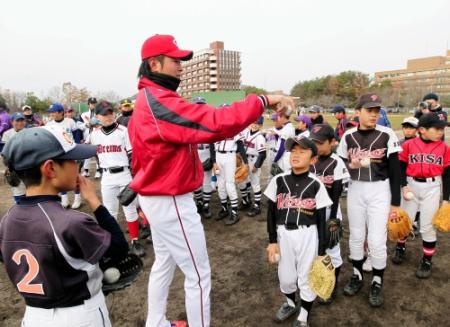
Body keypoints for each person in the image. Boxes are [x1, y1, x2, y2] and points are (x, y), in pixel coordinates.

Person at [127, 34, 294, 327]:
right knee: (199, 275)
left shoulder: (148, 97)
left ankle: (156, 323)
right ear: (154, 63)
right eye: (175, 60)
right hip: (169, 199)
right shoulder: (156, 100)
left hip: (158, 196)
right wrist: (263, 100)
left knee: (165, 263)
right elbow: (215, 123)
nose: (181, 66)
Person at [0, 124, 129, 327]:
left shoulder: (6, 221)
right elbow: (119, 249)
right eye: (72, 160)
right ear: (50, 168)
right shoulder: (72, 222)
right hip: (80, 316)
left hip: (33, 317)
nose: (77, 165)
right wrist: (95, 202)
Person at [336, 93, 401, 307]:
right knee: (355, 236)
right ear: (358, 112)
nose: (374, 114)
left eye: (376, 110)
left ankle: (377, 281)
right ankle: (356, 275)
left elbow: (395, 169)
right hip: (355, 189)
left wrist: (396, 203)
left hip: (380, 191)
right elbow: (342, 165)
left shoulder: (387, 133)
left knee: (376, 240)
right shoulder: (348, 136)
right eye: (369, 110)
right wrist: (351, 166)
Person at [265, 136, 332, 327]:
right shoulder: (278, 180)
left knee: (306, 276)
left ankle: (304, 315)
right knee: (285, 277)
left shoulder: (316, 184)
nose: (296, 155)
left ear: (313, 160)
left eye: (302, 152)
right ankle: (291, 302)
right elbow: (271, 213)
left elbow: (321, 220)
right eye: (293, 151)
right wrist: (272, 240)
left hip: (308, 234)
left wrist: (322, 251)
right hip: (282, 234)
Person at [394, 113, 450, 278]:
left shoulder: (445, 148)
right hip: (411, 185)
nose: (441, 131)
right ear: (423, 130)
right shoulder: (409, 145)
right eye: (437, 128)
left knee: (427, 226)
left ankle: (427, 260)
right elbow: (401, 167)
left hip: (432, 187)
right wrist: (403, 186)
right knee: (406, 220)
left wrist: (446, 199)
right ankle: (400, 247)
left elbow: (447, 174)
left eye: (442, 128)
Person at [89, 100, 145, 257]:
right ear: (97, 116)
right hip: (106, 176)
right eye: (105, 114)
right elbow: (94, 155)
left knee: (130, 209)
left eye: (110, 112)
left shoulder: (123, 130)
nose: (109, 116)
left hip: (124, 174)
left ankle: (135, 241)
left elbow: (131, 154)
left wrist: (134, 176)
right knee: (110, 212)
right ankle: (114, 242)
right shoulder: (94, 135)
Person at [309, 124, 350, 304]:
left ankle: (331, 285)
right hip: (309, 212)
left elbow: (336, 194)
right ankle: (318, 279)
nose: (316, 145)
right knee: (313, 249)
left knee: (331, 250)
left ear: (332, 142)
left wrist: (332, 220)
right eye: (313, 141)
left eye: (320, 142)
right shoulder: (310, 159)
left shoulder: (337, 162)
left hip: (328, 212)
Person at [46, 102, 82, 209]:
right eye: (50, 112)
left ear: (61, 112)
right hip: (57, 154)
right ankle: (64, 199)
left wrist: (78, 152)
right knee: (59, 176)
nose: (51, 114)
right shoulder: (49, 125)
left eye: (54, 112)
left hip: (71, 152)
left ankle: (77, 198)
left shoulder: (70, 122)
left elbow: (76, 137)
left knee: (75, 177)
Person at [213, 117, 248, 225]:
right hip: (218, 156)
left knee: (230, 184)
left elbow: (241, 146)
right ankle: (224, 208)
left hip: (229, 156)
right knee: (220, 184)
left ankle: (234, 211)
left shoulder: (235, 129)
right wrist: (213, 162)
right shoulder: (216, 128)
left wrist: (245, 162)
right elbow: (211, 145)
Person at [191, 97, 215, 219]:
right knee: (196, 182)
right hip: (194, 156)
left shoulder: (209, 122)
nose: (199, 107)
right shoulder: (189, 122)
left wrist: (212, 158)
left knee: (206, 181)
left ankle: (206, 205)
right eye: (197, 104)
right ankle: (199, 202)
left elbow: (213, 142)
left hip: (206, 154)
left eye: (201, 104)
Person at [239, 116, 267, 217]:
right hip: (244, 160)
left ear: (261, 125)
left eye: (257, 124)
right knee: (242, 181)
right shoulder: (246, 132)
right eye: (253, 123)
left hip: (253, 160)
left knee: (255, 184)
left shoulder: (260, 137)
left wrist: (257, 165)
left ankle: (257, 205)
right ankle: (246, 201)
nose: (254, 125)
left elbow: (263, 154)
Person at [1, 112, 27, 203]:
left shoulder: (30, 132)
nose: (20, 123)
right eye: (17, 120)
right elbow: (4, 153)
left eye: (22, 120)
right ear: (12, 122)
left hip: (29, 166)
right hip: (14, 167)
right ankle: (20, 213)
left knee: (31, 193)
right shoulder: (7, 134)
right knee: (18, 193)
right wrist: (7, 167)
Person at [81, 97, 102, 178]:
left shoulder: (100, 114)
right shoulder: (83, 115)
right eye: (91, 103)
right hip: (87, 135)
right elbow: (80, 125)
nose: (93, 105)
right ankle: (86, 170)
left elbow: (101, 124)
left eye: (94, 103)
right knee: (87, 153)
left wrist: (96, 124)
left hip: (97, 135)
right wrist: (85, 125)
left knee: (98, 153)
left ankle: (98, 170)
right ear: (88, 104)